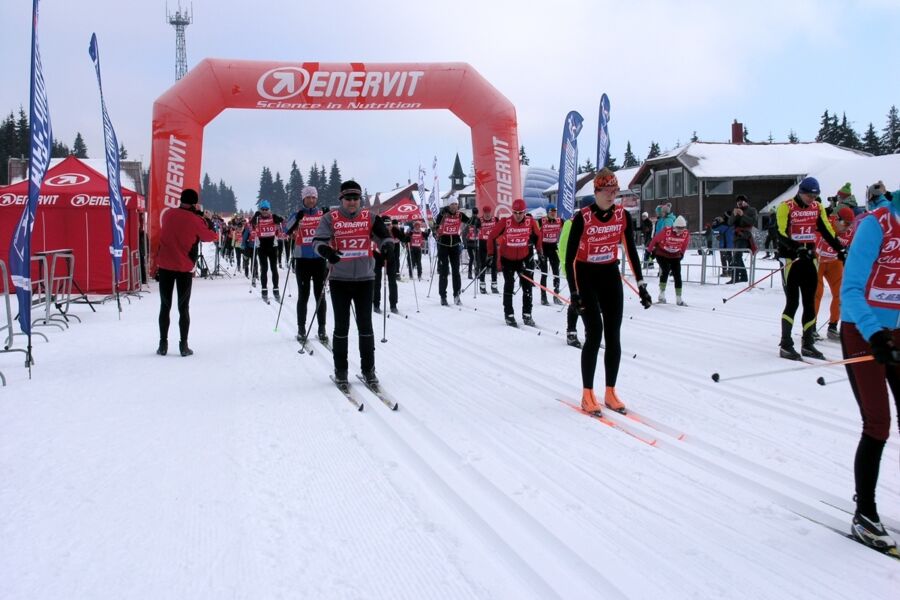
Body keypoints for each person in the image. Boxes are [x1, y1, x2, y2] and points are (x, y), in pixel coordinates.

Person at [839, 187, 900, 553]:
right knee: (878, 422)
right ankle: (865, 514)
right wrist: (875, 332)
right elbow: (850, 290)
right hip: (863, 330)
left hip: (896, 328)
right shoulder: (876, 225)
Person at [565, 169, 653, 414]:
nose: (612, 195)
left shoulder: (622, 215)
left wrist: (642, 285)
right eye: (608, 191)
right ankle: (587, 394)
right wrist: (574, 292)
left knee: (614, 335)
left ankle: (610, 391)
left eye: (615, 191)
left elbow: (631, 251)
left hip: (610, 275)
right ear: (596, 191)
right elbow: (570, 258)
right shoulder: (582, 217)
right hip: (586, 275)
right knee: (595, 334)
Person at [313, 180, 394, 386]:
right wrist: (327, 251)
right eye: (348, 198)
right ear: (341, 199)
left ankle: (369, 370)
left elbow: (384, 237)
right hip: (339, 279)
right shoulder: (330, 218)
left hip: (365, 280)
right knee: (342, 326)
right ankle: (341, 370)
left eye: (356, 198)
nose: (352, 202)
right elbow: (318, 242)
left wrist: (386, 247)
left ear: (360, 200)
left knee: (365, 326)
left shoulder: (370, 217)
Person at [776, 177, 845, 361]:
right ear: (800, 191)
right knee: (793, 302)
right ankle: (785, 344)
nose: (811, 199)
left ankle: (807, 343)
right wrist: (795, 247)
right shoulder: (786, 206)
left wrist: (840, 249)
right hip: (791, 259)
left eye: (815, 196)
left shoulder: (817, 207)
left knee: (809, 302)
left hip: (810, 259)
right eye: (808, 195)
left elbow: (826, 230)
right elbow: (779, 232)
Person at [154, 188, 217, 357]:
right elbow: (211, 237)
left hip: (165, 265)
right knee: (183, 308)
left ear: (180, 200)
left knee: (164, 306)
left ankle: (163, 344)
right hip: (184, 267)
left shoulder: (168, 214)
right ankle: (183, 346)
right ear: (195, 203)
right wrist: (207, 220)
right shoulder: (196, 220)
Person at [486, 198, 542, 326]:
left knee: (527, 286)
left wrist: (540, 251)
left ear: (525, 211)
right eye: (515, 212)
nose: (518, 216)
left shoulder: (530, 222)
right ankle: (509, 314)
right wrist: (490, 254)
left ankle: (527, 314)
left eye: (520, 212)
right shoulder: (505, 222)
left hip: (523, 258)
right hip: (508, 259)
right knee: (509, 284)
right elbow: (491, 236)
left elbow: (538, 235)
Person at [284, 186, 328, 342]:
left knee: (320, 296)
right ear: (303, 199)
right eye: (308, 197)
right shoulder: (298, 214)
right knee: (303, 295)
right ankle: (301, 328)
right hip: (302, 260)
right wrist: (297, 218)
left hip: (319, 260)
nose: (311, 200)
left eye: (314, 197)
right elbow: (286, 230)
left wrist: (329, 213)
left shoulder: (322, 215)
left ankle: (322, 328)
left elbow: (334, 229)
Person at [814, 207, 855, 341]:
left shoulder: (849, 232)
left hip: (834, 262)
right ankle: (811, 327)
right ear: (836, 219)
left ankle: (832, 327)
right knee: (817, 293)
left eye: (850, 224)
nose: (847, 228)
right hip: (818, 261)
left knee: (840, 293)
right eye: (845, 224)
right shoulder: (825, 224)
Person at [433, 196, 470, 305]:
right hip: (443, 244)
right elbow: (435, 224)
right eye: (452, 204)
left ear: (458, 205)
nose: (454, 206)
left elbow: (471, 221)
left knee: (456, 271)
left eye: (455, 204)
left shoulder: (460, 215)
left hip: (454, 244)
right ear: (449, 206)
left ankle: (456, 295)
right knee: (444, 271)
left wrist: (476, 218)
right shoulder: (443, 214)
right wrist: (440, 214)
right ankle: (443, 296)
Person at [647, 215, 691, 306]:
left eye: (682, 228)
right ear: (674, 227)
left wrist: (682, 253)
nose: (680, 231)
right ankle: (661, 295)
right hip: (662, 253)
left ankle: (679, 298)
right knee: (666, 270)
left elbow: (685, 244)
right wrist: (648, 251)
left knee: (677, 274)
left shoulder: (686, 234)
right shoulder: (666, 232)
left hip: (674, 255)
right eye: (679, 228)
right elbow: (654, 240)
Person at [250, 199, 285, 302]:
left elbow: (282, 221)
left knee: (274, 268)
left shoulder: (273, 217)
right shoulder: (257, 218)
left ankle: (276, 289)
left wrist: (278, 219)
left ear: (269, 209)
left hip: (272, 246)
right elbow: (251, 224)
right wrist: (255, 217)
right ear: (260, 209)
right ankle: (264, 289)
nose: (264, 211)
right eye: (262, 209)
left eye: (266, 209)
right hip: (262, 247)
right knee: (264, 268)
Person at [373, 216, 400, 314]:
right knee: (377, 281)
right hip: (377, 256)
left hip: (391, 258)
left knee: (392, 281)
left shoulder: (394, 232)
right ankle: (376, 303)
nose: (387, 227)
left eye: (389, 224)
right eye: (385, 225)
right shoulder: (376, 232)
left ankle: (393, 304)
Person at [539, 204, 564, 305]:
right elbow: (534, 231)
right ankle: (543, 296)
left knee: (556, 272)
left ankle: (556, 295)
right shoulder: (541, 221)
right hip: (544, 248)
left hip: (553, 247)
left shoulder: (560, 221)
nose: (553, 213)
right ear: (547, 212)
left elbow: (566, 229)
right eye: (551, 211)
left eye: (555, 211)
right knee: (544, 273)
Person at [730, 195, 757, 283]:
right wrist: (734, 215)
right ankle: (743, 276)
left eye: (742, 200)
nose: (740, 202)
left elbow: (752, 221)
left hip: (745, 235)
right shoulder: (735, 210)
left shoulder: (752, 210)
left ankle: (736, 277)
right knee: (737, 256)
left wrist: (742, 215)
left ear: (746, 202)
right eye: (738, 201)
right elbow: (730, 222)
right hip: (736, 236)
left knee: (737, 255)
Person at [477, 205, 499, 294]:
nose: (487, 215)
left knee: (494, 265)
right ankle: (482, 285)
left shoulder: (495, 219)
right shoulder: (480, 220)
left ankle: (494, 286)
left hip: (493, 243)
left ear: (491, 212)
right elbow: (474, 226)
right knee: (483, 265)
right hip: (483, 243)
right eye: (485, 213)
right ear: (483, 213)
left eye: (488, 213)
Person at [465, 207, 480, 279]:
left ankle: (474, 273)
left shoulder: (476, 220)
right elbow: (465, 231)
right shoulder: (472, 220)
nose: (475, 215)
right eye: (475, 213)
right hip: (471, 242)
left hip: (474, 242)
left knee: (474, 258)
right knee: (474, 258)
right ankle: (472, 273)